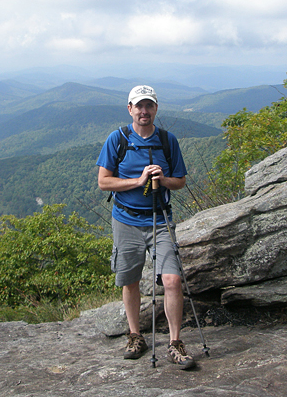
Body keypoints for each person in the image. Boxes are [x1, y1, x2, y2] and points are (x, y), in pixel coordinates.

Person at [96, 85, 196, 370]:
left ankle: (175, 343)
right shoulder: (118, 139)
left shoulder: (167, 140)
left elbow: (180, 181)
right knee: (130, 280)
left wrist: (162, 179)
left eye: (148, 106)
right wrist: (139, 181)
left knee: (172, 280)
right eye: (138, 106)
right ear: (129, 109)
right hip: (127, 219)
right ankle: (135, 335)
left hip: (161, 218)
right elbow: (104, 182)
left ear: (155, 109)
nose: (144, 111)